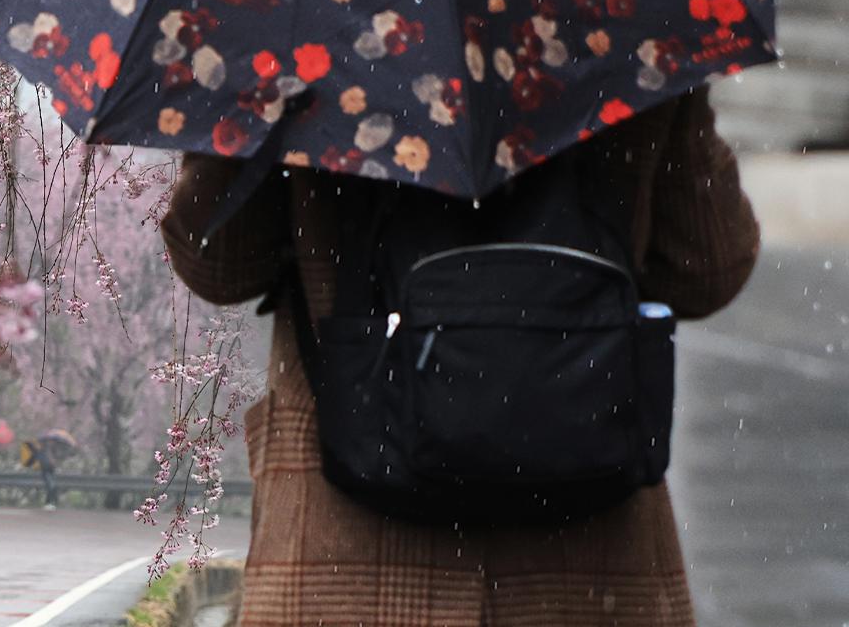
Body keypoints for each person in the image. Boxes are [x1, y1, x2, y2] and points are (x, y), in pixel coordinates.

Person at [162, 89, 758, 626]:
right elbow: (704, 271)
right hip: (588, 559)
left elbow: (222, 264)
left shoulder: (306, 22)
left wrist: (247, 100)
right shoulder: (627, 16)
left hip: (348, 555)